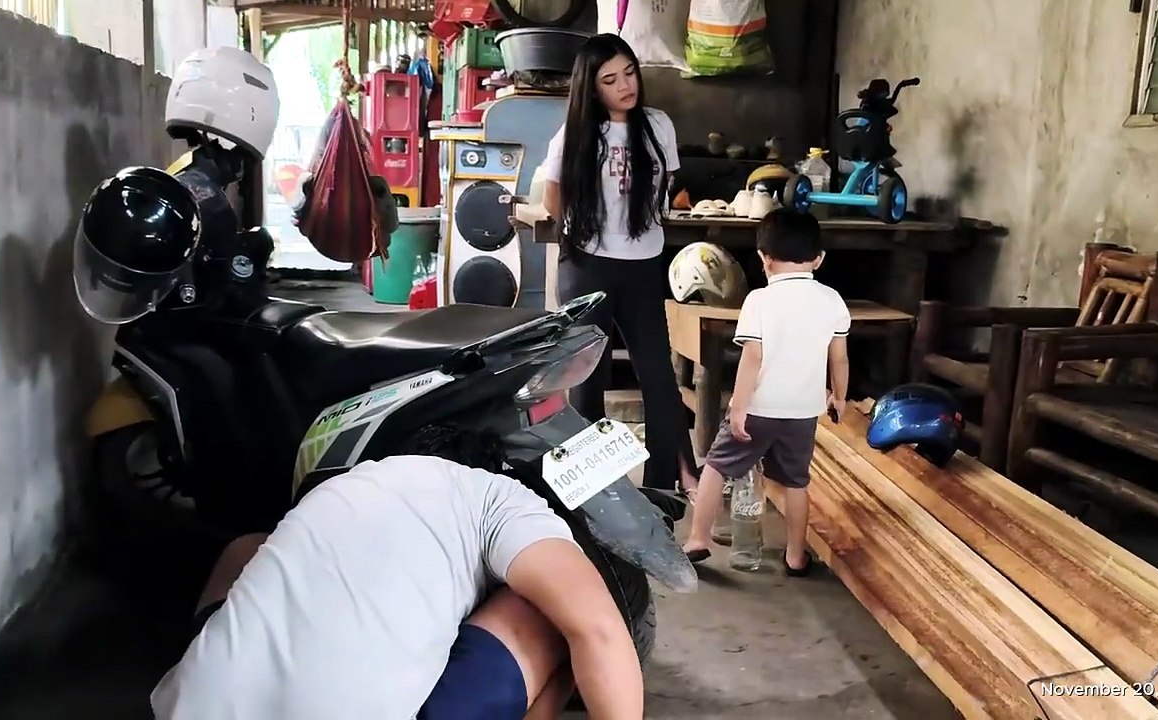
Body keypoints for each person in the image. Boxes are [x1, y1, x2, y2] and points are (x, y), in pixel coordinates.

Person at [149, 426, 644, 720]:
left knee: (248, 550)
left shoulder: (350, 483)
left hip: (185, 710)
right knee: (549, 612)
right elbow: (599, 630)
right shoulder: (500, 497)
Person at [539, 33, 699, 497]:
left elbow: (665, 184)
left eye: (629, 73)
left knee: (659, 378)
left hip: (643, 264)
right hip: (587, 265)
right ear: (592, 89)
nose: (625, 85)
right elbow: (553, 198)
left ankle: (662, 491)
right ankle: (593, 494)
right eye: (610, 80)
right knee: (587, 380)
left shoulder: (658, 125)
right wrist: (583, 230)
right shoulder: (574, 135)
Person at [680, 209, 850, 576]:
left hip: (759, 408)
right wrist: (839, 397)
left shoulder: (759, 300)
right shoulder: (832, 300)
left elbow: (752, 358)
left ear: (764, 258)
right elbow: (839, 357)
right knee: (796, 483)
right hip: (803, 412)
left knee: (716, 467)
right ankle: (795, 557)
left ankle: (697, 539)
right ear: (819, 259)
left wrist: (739, 407)